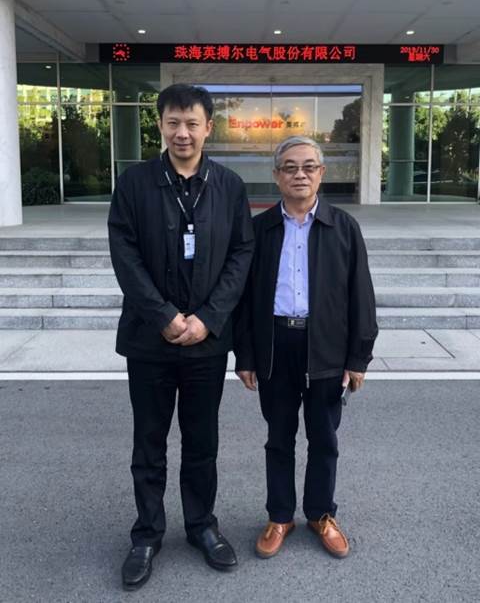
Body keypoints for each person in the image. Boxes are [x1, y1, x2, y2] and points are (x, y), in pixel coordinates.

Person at [108, 83, 254, 591]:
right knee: (148, 442)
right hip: (150, 340)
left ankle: (201, 526)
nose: (182, 133)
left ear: (209, 127)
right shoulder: (134, 183)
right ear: (160, 126)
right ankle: (146, 534)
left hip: (206, 344)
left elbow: (241, 255)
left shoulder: (229, 186)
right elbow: (125, 255)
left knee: (202, 441)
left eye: (192, 123)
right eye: (173, 122)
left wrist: (208, 319)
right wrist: (165, 316)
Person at [235, 135, 377, 560]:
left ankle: (320, 514)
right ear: (277, 176)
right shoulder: (259, 229)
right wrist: (245, 355)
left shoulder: (343, 227)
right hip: (276, 346)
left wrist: (358, 358)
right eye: (291, 167)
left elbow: (361, 297)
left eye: (309, 167)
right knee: (278, 438)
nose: (300, 174)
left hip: (327, 348)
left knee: (324, 438)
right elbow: (243, 298)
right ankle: (280, 516)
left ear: (322, 174)